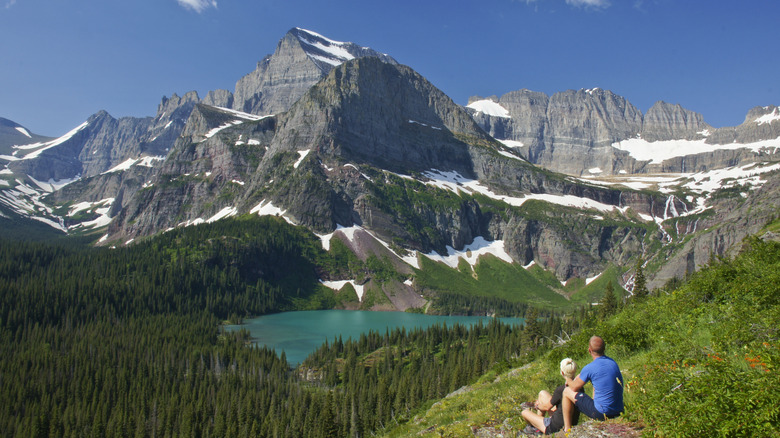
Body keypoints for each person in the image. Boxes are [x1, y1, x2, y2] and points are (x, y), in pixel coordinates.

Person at [561, 336, 624, 432]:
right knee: (597, 386)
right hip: (618, 411)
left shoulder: (589, 368)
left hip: (601, 413)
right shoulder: (613, 363)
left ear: (589, 350)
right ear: (604, 349)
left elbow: (573, 387)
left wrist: (567, 378)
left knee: (566, 392)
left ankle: (567, 429)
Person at [521, 358, 580, 435]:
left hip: (554, 426)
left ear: (562, 372)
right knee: (542, 393)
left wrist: (538, 406)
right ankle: (538, 426)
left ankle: (538, 429)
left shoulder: (560, 390)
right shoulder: (579, 387)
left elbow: (547, 407)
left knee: (524, 412)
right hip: (569, 421)